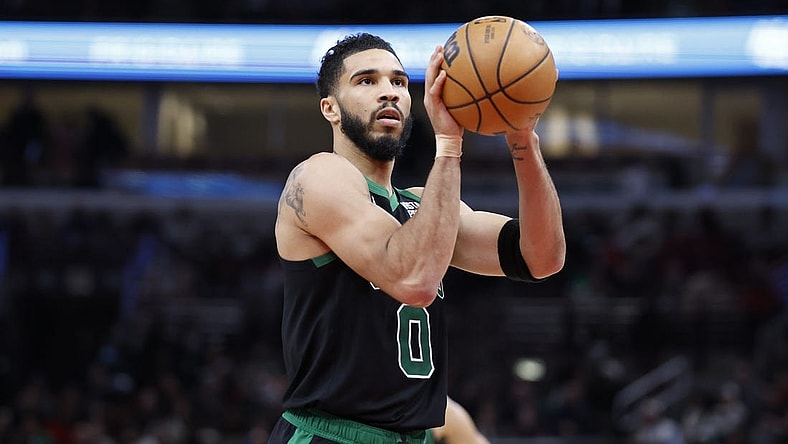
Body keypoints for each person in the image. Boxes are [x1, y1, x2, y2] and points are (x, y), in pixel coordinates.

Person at [270, 32, 565, 444]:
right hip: (335, 435)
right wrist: (449, 145)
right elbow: (414, 280)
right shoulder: (318, 176)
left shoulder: (425, 207)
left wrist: (522, 142)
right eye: (366, 81)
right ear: (330, 109)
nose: (388, 92)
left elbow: (542, 257)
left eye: (398, 81)